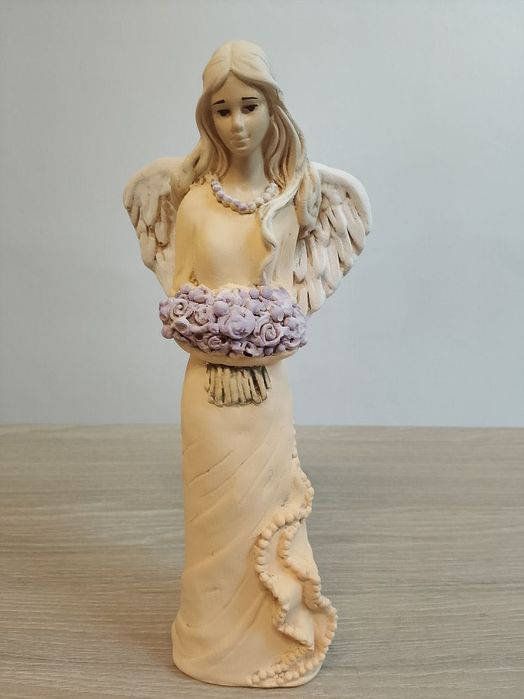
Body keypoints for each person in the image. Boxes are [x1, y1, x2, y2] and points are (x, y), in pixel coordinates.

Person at [123, 40, 371, 688]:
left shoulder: (296, 199)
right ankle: (210, 646)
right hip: (208, 393)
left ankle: (271, 636)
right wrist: (218, 348)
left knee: (262, 515)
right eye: (223, 109)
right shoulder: (193, 204)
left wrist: (262, 349)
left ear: (272, 108)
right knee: (213, 527)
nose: (237, 123)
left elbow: (289, 304)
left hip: (266, 395)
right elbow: (181, 297)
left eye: (250, 106)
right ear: (208, 116)